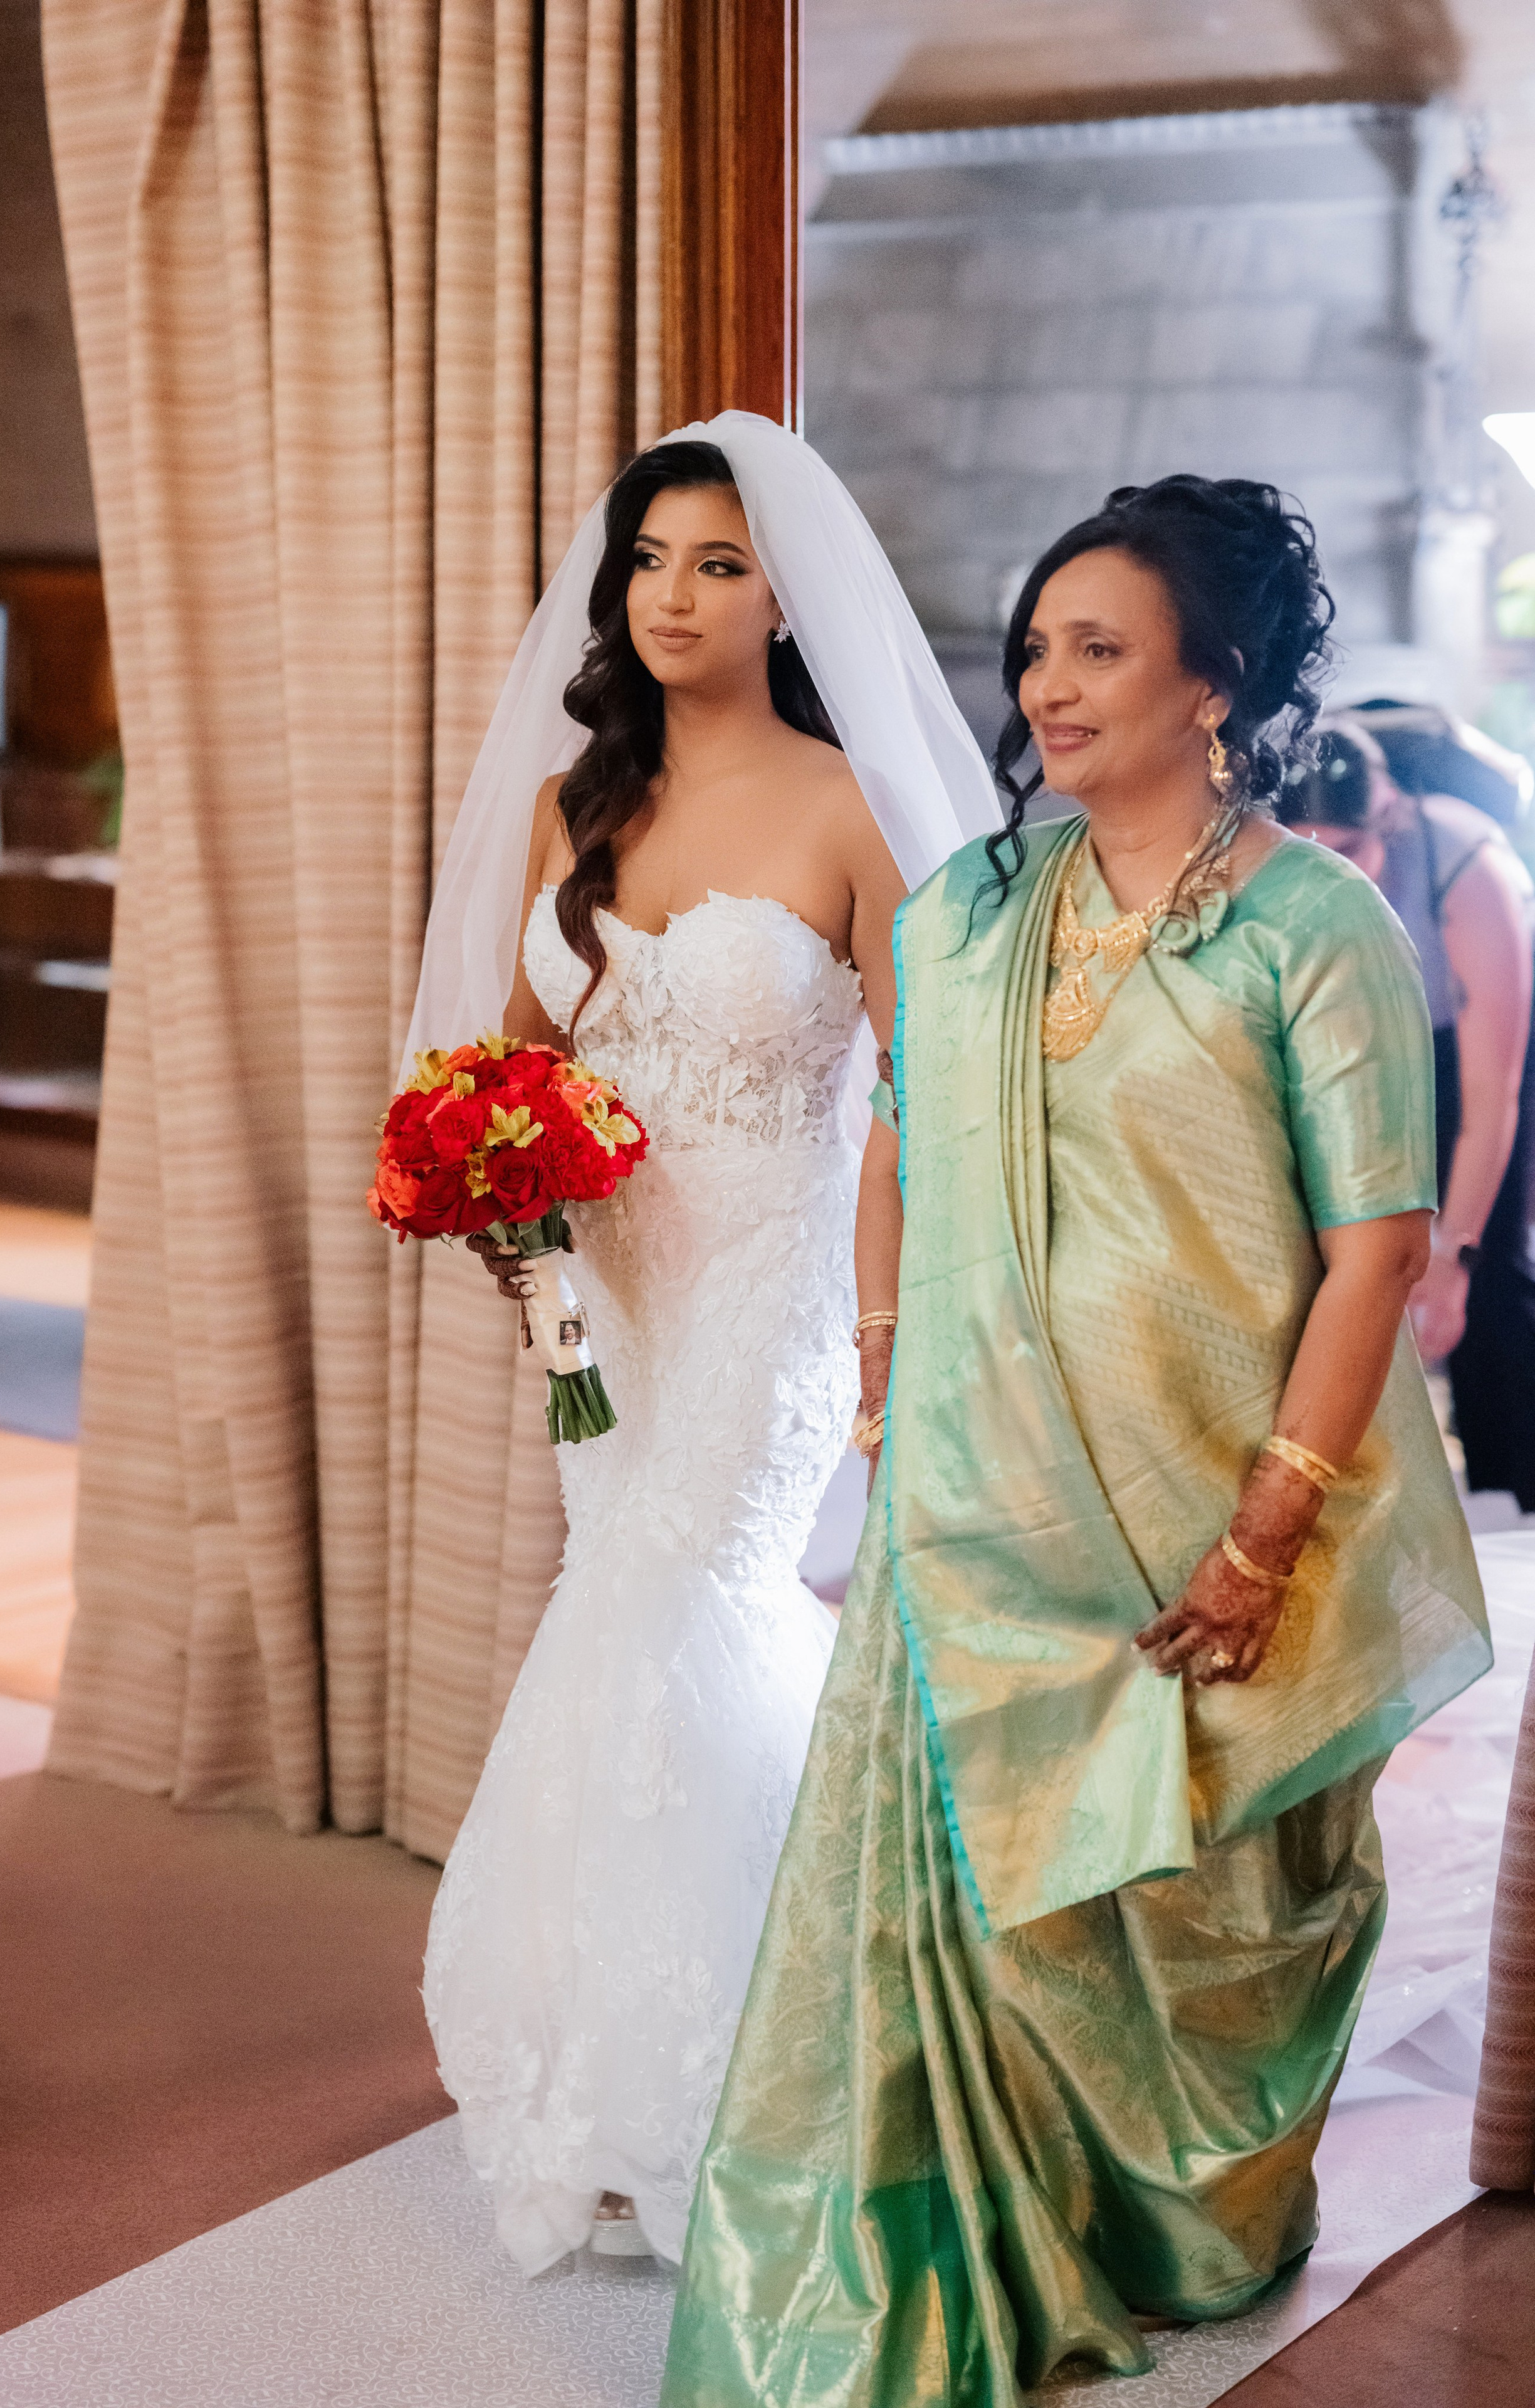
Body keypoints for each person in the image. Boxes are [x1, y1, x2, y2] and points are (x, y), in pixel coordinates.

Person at [661, 476, 1491, 2405]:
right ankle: (915, 2232)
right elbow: (891, 1146)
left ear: (1217, 684)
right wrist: (889, 1391)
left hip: (1212, 1489)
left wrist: (1270, 1520)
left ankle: (1168, 2214)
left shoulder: (1318, 924)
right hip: (972, 1501)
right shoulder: (963, 910)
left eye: (1095, 647)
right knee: (941, 1905)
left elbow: (1370, 1242)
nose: (1044, 682)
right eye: (1034, 644)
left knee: (1201, 1896)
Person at [409, 414, 998, 2273]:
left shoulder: (847, 805)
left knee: (681, 1599)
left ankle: (738, 2079)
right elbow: (500, 1069)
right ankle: (615, 2066)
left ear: (783, 594)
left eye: (721, 563)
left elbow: (926, 1092)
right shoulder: (568, 806)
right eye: (654, 559)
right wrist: (503, 1217)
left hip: (775, 1289)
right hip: (606, 1305)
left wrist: (893, 1332)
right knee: (634, 1616)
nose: (677, 594)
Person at [1282, 720, 1535, 1510]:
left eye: (1349, 851)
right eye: (1308, 850)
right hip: (1374, 1044)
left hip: (1478, 1046)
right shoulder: (1281, 874)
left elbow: (1491, 1094)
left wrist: (1452, 1255)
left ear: (1387, 822)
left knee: (1485, 1275)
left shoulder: (1464, 862)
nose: (1330, 873)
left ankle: (1514, 1493)